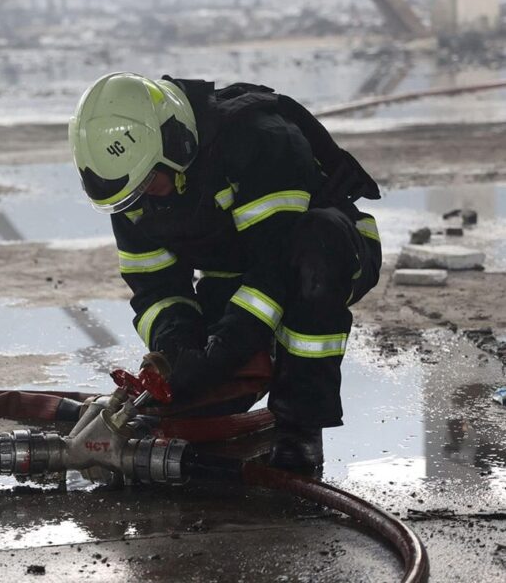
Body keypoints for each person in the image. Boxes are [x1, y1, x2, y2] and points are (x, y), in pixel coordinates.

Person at [68, 72, 382, 472]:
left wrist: (229, 342)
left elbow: (276, 261)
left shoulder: (258, 138)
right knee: (200, 390)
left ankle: (300, 426)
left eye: (150, 182)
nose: (143, 198)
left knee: (311, 266)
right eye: (131, 194)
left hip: (327, 251)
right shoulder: (133, 191)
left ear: (176, 142)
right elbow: (155, 289)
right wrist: (177, 348)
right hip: (234, 270)